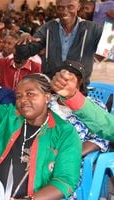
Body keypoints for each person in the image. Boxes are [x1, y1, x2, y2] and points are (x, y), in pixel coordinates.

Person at [0, 42, 82, 199]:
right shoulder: (10, 116)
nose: (23, 100)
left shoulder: (65, 133)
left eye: (30, 94)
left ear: (47, 97)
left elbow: (65, 181)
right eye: (19, 96)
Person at [49, 60, 109, 199]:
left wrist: (69, 153)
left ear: (80, 81)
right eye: (62, 76)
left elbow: (101, 138)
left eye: (71, 77)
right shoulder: (47, 101)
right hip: (41, 154)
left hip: (72, 162)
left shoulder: (94, 106)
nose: (65, 80)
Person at [16, 0, 102, 94]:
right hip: (51, 91)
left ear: (78, 6)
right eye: (60, 7)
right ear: (56, 8)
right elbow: (23, 53)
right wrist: (23, 38)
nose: (65, 11)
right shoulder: (48, 28)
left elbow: (109, 52)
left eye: (70, 7)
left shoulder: (93, 29)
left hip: (79, 92)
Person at [51, 69, 114, 141]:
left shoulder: (97, 103)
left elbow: (106, 131)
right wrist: (72, 96)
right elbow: (108, 126)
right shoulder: (51, 101)